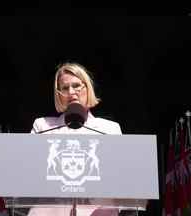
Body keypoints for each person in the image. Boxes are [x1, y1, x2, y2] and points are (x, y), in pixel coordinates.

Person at [28, 62, 122, 216]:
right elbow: (29, 172)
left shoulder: (110, 129)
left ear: (88, 88)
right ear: (58, 94)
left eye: (77, 85)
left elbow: (119, 177)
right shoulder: (42, 126)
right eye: (65, 88)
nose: (71, 92)